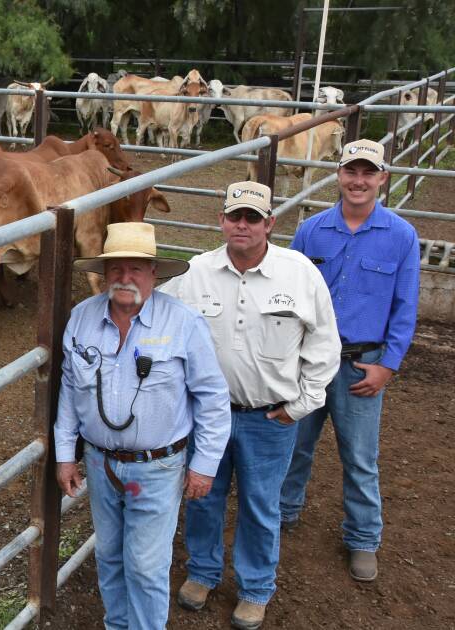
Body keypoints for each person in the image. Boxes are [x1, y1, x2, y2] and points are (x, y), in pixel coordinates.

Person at [161, 181, 340, 630]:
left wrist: (301, 404)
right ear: (220, 220)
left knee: (262, 504)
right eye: (234, 216)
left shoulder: (299, 273)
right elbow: (166, 332)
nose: (243, 225)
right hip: (208, 415)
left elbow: (324, 344)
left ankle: (256, 588)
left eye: (252, 218)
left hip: (268, 415)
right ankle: (202, 572)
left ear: (269, 224)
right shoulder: (193, 272)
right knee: (203, 496)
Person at [55, 222, 231, 630]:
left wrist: (204, 465)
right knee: (110, 555)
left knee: (147, 565)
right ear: (104, 272)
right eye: (116, 268)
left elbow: (212, 397)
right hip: (100, 464)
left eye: (136, 268)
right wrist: (66, 456)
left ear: (155, 274)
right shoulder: (81, 319)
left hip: (158, 466)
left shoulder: (183, 322)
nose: (125, 277)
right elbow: (69, 391)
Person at [279, 139, 419, 582]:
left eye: (368, 173)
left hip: (362, 363)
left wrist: (387, 365)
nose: (358, 181)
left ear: (382, 178)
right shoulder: (312, 231)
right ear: (338, 174)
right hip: (309, 359)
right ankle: (284, 513)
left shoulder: (400, 235)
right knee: (295, 443)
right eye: (350, 171)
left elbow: (405, 305)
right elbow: (291, 297)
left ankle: (362, 538)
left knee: (360, 455)